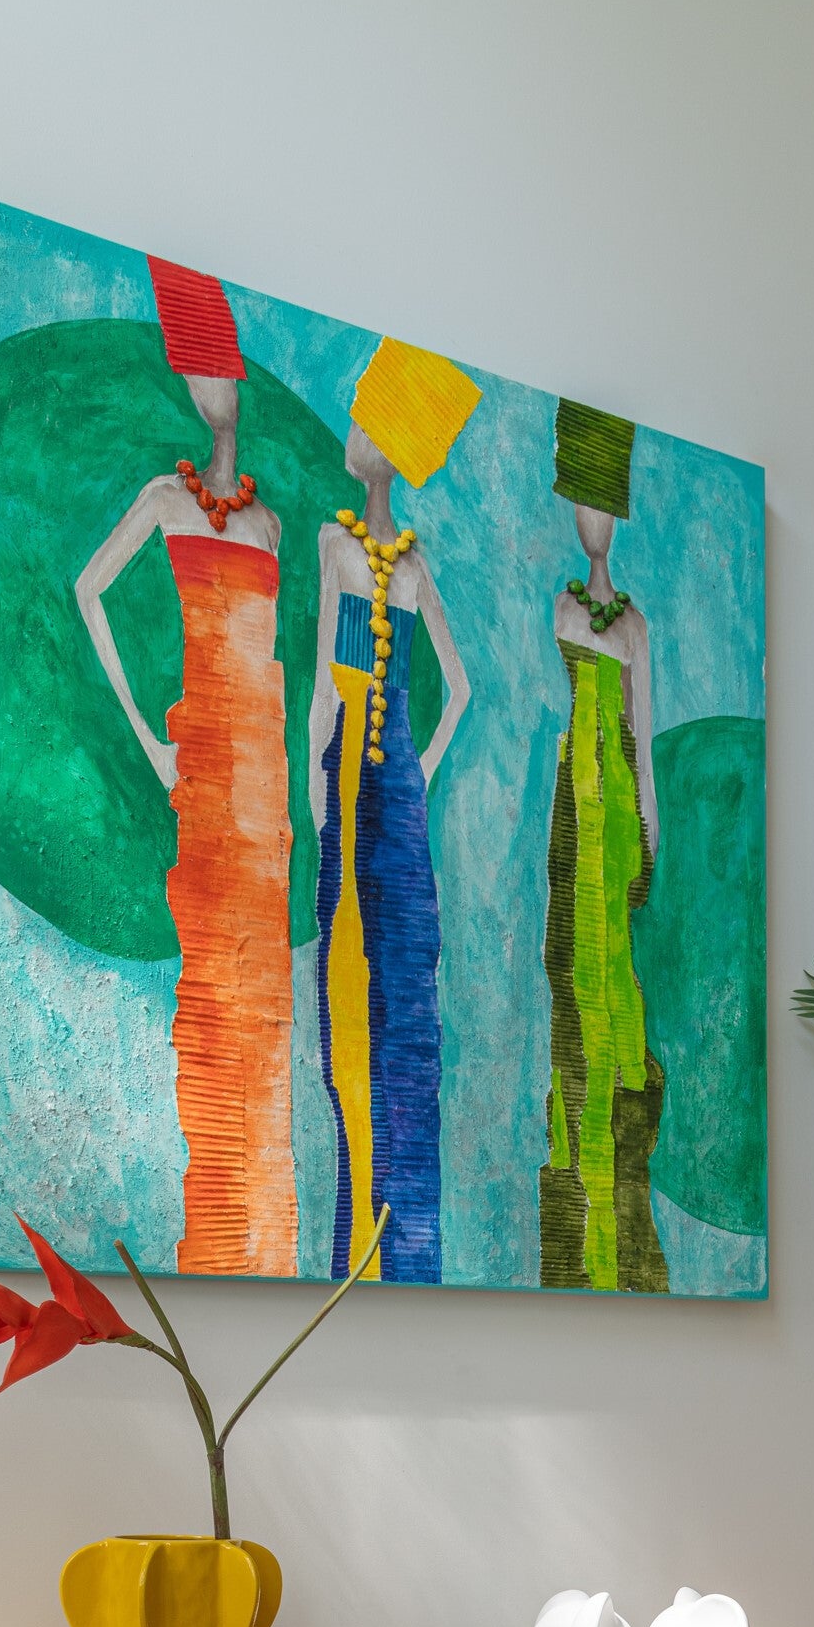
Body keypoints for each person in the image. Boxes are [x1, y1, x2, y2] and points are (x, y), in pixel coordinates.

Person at [75, 257, 295, 1276]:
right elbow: (90, 591)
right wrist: (145, 736)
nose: (213, 391)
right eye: (195, 372)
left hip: (265, 776)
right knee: (215, 999)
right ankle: (222, 1242)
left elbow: (281, 660)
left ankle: (269, 1240)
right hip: (203, 758)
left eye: (222, 371)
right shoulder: (167, 498)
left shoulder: (269, 523)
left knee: (269, 1009)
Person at [307, 338, 478, 1285]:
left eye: (364, 418)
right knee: (360, 1015)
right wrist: (409, 769)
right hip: (376, 785)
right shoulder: (360, 552)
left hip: (367, 786)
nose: (352, 431)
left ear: (385, 443)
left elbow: (336, 698)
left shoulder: (371, 556)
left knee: (391, 1017)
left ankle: (392, 1257)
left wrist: (336, 783)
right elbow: (453, 694)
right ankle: (369, 1258)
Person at [539, 399, 668, 1293]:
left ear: (617, 518)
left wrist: (651, 837)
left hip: (616, 810)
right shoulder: (564, 607)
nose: (594, 521)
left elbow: (644, 741)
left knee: (615, 988)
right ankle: (574, 1218)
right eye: (582, 503)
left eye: (605, 507)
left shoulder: (632, 626)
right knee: (571, 978)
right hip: (573, 812)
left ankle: (620, 1210)